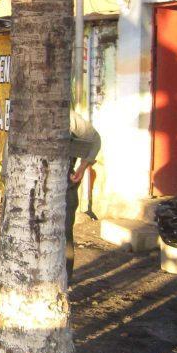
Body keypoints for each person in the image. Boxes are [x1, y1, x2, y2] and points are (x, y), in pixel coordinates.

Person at [66, 110, 101, 282]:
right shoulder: (21, 110)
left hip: (63, 185)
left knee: (63, 236)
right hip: (30, 188)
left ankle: (62, 284)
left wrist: (82, 167)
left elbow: (94, 140)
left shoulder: (66, 115)